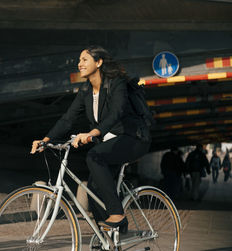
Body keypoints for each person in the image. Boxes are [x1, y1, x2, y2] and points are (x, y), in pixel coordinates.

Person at [30, 46, 151, 232]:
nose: (80, 64)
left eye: (84, 59)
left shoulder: (116, 83)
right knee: (93, 190)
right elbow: (68, 118)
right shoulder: (86, 89)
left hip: (133, 138)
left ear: (99, 62)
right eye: (79, 60)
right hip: (110, 143)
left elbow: (116, 113)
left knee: (94, 156)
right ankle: (110, 237)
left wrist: (93, 133)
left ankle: (117, 215)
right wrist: (46, 139)